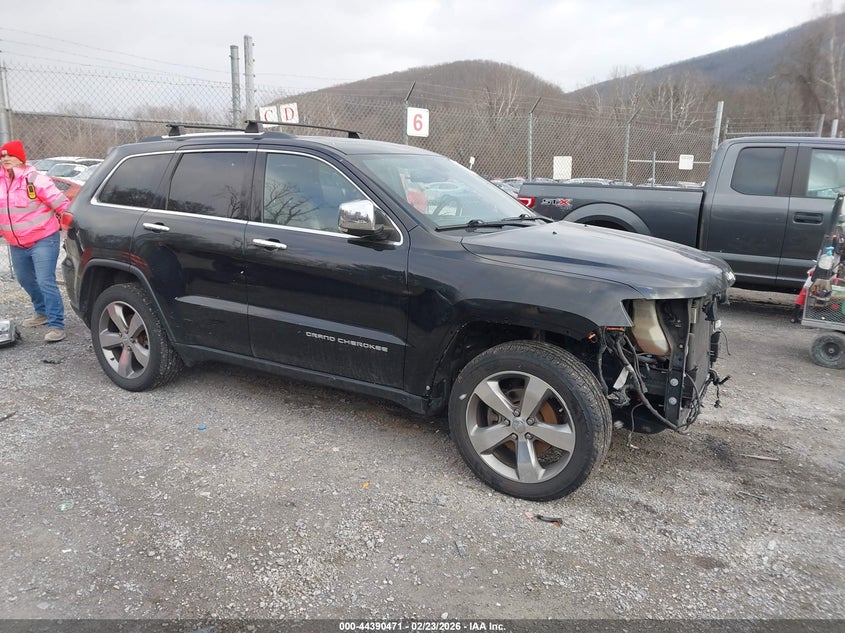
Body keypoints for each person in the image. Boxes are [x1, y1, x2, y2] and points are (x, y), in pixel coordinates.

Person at [0, 139, 70, 342]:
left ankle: (57, 325)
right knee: (25, 279)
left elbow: (62, 205)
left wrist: (69, 227)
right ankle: (42, 312)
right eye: (2, 156)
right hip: (16, 243)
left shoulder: (35, 180)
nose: (5, 159)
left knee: (45, 280)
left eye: (10, 155)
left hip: (43, 239)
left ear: (20, 158)